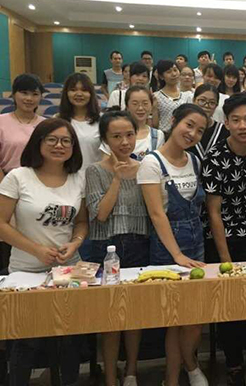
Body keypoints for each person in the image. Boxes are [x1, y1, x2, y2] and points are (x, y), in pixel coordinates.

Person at [0, 118, 87, 385]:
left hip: (68, 270)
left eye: (66, 141)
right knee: (27, 341)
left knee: (70, 340)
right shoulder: (18, 177)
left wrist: (75, 243)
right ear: (38, 143)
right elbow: (1, 224)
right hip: (26, 270)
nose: (59, 145)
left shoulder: (78, 178)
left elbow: (81, 222)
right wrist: (37, 250)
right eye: (52, 139)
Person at [202, 93, 246, 386]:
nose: (242, 126)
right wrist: (225, 259)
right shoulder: (214, 157)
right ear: (226, 123)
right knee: (229, 302)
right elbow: (213, 212)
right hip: (220, 237)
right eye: (236, 120)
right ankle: (233, 363)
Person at [138, 104, 209, 386]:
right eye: (189, 125)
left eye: (200, 131)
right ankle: (173, 377)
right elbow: (156, 214)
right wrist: (176, 254)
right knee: (175, 318)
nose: (192, 133)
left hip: (196, 242)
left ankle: (190, 364)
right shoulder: (151, 162)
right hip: (167, 247)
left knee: (195, 317)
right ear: (174, 121)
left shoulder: (195, 161)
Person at [86, 111, 149, 386]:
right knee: (110, 317)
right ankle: (111, 377)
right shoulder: (94, 170)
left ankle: (131, 371)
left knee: (134, 314)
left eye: (129, 135)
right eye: (116, 136)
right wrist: (117, 178)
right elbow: (100, 214)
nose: (124, 142)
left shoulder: (146, 167)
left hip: (139, 244)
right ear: (105, 140)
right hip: (106, 248)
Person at [0, 74, 46, 183]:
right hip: (6, 179)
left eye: (35, 94)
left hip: (39, 180)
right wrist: (4, 186)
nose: (29, 98)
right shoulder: (1, 121)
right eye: (24, 93)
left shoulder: (46, 124)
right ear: (14, 94)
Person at [101, 86, 165, 161]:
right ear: (127, 106)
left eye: (145, 103)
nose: (140, 108)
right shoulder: (113, 132)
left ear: (151, 106)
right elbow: (106, 162)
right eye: (135, 104)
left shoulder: (158, 135)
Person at [58, 72, 102, 171]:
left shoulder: (102, 121)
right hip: (66, 175)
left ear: (91, 94)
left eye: (84, 90)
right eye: (73, 90)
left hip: (94, 176)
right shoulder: (57, 121)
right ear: (66, 93)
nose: (79, 94)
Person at [152, 60, 193, 133]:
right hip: (164, 135)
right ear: (161, 76)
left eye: (175, 70)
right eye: (169, 72)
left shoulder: (187, 95)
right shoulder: (156, 96)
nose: (174, 74)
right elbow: (155, 125)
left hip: (183, 134)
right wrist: (154, 108)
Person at [190, 85, 230, 160]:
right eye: (202, 101)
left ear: (216, 106)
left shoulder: (224, 131)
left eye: (212, 103)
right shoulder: (185, 128)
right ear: (193, 100)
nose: (206, 105)